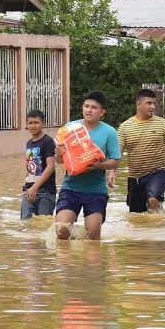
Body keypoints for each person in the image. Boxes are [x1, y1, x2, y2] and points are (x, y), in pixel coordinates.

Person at [54, 90, 122, 240]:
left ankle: (90, 263)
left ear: (102, 112)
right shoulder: (70, 128)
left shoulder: (109, 132)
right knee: (61, 229)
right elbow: (59, 161)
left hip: (95, 190)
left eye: (94, 107)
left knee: (92, 234)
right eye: (86, 106)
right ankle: (68, 261)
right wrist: (59, 155)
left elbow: (116, 161)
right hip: (70, 187)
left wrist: (99, 165)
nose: (89, 110)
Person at [111, 88, 165, 213]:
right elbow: (118, 152)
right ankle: (158, 215)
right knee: (137, 217)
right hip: (135, 177)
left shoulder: (162, 124)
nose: (152, 107)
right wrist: (112, 172)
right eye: (149, 103)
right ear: (138, 105)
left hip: (158, 172)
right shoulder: (125, 127)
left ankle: (158, 226)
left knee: (153, 199)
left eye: (154, 103)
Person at [21, 109, 57, 220]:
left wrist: (35, 187)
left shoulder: (48, 141)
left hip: (45, 192)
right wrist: (29, 187)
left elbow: (50, 167)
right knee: (26, 222)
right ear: (26, 125)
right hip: (29, 190)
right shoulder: (29, 143)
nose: (33, 126)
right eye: (30, 123)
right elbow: (30, 166)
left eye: (36, 122)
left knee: (43, 224)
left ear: (43, 123)